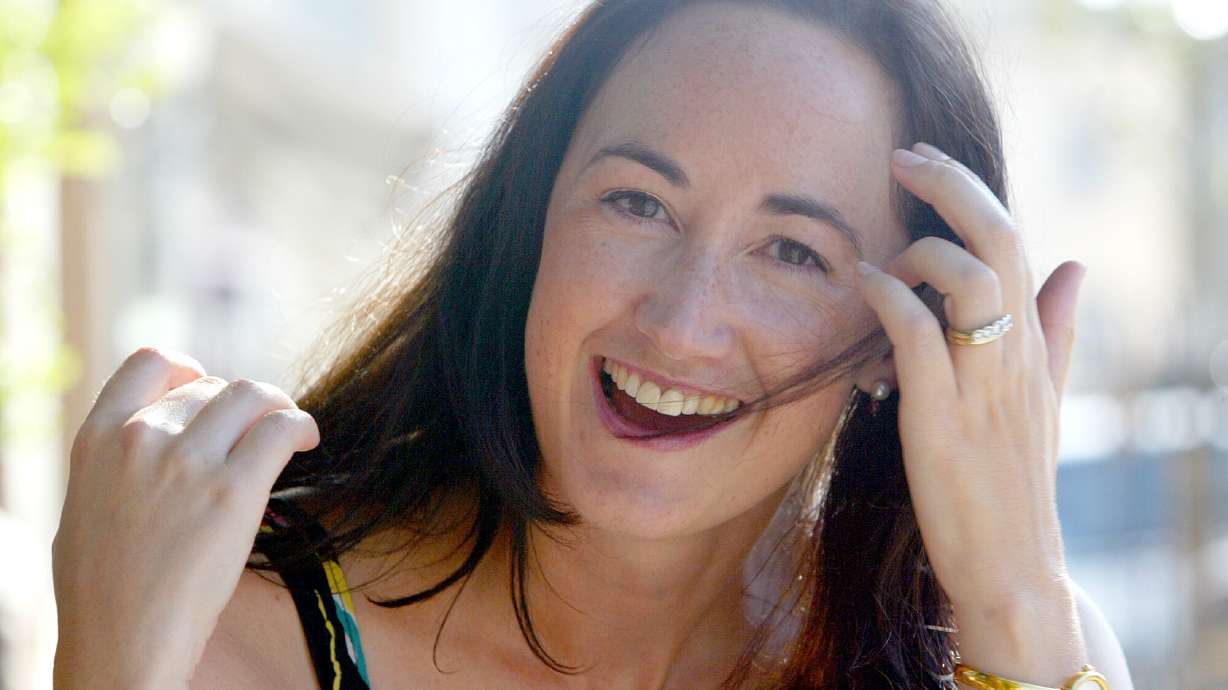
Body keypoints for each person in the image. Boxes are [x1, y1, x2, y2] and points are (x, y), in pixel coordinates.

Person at [51, 1, 1136, 688]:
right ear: (533, 219)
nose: (679, 321)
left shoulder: (1011, 653)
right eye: (637, 204)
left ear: (892, 345)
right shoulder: (226, 624)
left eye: (793, 253)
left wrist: (1015, 608)